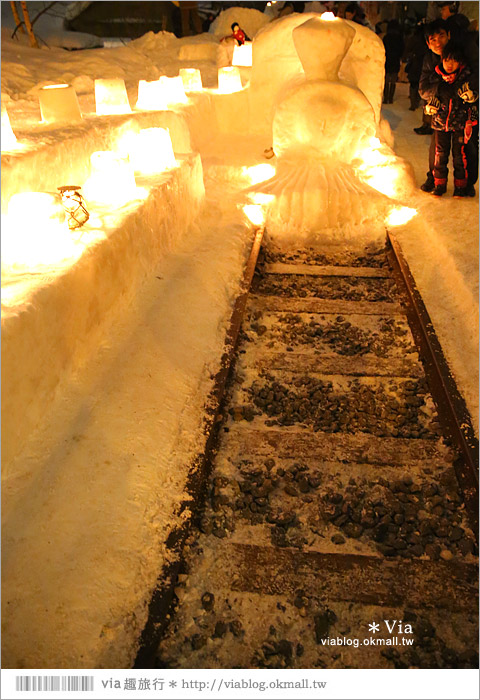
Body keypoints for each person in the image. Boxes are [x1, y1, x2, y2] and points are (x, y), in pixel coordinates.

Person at [418, 19, 478, 194]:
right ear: (428, 44)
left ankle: (467, 183)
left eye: (441, 37)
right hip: (442, 113)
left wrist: (466, 90)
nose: (438, 43)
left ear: (449, 36)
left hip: (465, 108)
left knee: (468, 146)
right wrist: (438, 91)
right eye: (433, 40)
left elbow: (477, 71)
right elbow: (423, 88)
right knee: (437, 146)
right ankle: (434, 177)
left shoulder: (464, 51)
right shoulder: (430, 59)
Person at [404, 22, 428, 110]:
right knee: (419, 84)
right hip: (423, 64)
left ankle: (413, 103)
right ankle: (416, 100)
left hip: (415, 64)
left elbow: (407, 49)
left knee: (413, 84)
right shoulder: (425, 40)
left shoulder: (413, 39)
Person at [383, 20, 404, 104]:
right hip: (395, 60)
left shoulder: (386, 37)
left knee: (387, 79)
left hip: (387, 60)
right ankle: (391, 98)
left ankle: (386, 97)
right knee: (393, 80)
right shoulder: (399, 38)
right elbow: (402, 49)